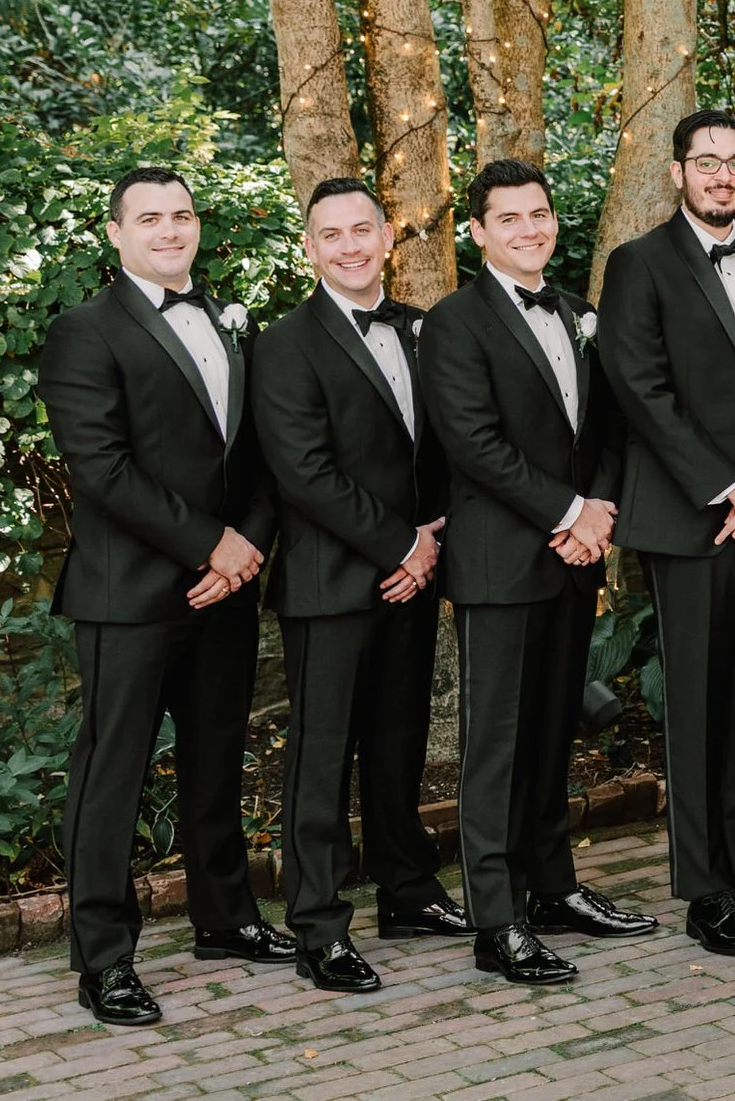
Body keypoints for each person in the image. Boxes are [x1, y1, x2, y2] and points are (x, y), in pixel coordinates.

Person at [36, 166, 291, 1026]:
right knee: (113, 774)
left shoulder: (232, 322)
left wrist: (246, 546)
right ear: (116, 234)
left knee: (217, 762)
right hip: (130, 594)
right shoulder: (84, 331)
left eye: (182, 214)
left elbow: (257, 455)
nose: (170, 229)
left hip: (226, 589)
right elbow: (102, 469)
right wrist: (207, 541)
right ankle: (103, 957)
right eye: (150, 217)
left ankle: (225, 918)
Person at [420, 159, 650, 985]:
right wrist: (569, 514)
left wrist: (602, 514)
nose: (529, 229)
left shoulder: (582, 314)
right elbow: (473, 442)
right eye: (509, 218)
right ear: (478, 232)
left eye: (539, 214)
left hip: (573, 560)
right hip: (502, 561)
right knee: (496, 747)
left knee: (552, 733)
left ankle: (553, 887)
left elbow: (614, 431)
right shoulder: (453, 323)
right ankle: (496, 918)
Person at [600, 111, 735, 959]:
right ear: (677, 171)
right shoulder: (638, 265)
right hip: (693, 520)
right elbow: (640, 388)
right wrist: (729, 488)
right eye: (707, 162)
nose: (722, 176)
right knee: (696, 707)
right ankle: (705, 890)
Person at [251, 178, 468, 994]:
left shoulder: (424, 330)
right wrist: (400, 543)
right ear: (310, 248)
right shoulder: (284, 344)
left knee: (397, 742)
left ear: (387, 238)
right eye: (329, 234)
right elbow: (303, 472)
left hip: (413, 577)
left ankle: (408, 890)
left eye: (361, 230)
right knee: (320, 756)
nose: (347, 245)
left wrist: (432, 541)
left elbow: (448, 446)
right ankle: (317, 922)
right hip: (331, 580)